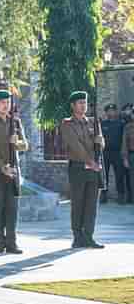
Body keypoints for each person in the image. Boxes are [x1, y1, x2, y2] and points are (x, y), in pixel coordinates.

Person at [0, 90, 28, 254]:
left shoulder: (15, 122)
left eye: (7, 102)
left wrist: (18, 143)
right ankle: (1, 242)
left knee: (12, 208)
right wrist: (3, 167)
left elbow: (25, 146)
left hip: (13, 170)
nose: (6, 105)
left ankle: (12, 243)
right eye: (2, 102)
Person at [61, 91, 105, 249]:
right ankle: (77, 236)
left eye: (85, 103)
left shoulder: (93, 122)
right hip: (78, 168)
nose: (83, 105)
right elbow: (75, 146)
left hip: (93, 169)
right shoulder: (67, 123)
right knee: (78, 203)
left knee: (91, 204)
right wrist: (90, 162)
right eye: (80, 103)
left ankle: (89, 237)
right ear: (73, 105)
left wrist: (101, 141)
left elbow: (100, 145)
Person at [101, 103, 126, 204]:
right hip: (105, 153)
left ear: (116, 112)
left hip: (117, 153)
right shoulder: (102, 124)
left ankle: (121, 196)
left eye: (113, 110)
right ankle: (103, 196)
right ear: (106, 112)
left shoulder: (121, 123)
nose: (111, 112)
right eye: (109, 111)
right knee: (104, 176)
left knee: (119, 175)